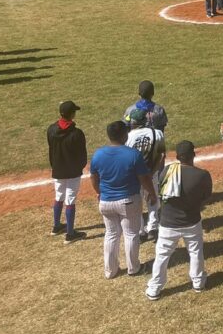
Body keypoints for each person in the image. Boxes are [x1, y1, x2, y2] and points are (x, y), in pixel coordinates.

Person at [90, 121, 157, 279]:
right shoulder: (133, 154)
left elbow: (93, 177)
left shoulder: (98, 154)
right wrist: (152, 193)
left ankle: (110, 271)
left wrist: (100, 192)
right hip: (128, 201)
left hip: (106, 202)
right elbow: (144, 179)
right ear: (124, 135)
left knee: (111, 234)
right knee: (131, 234)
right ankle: (134, 268)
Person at [146, 140, 213, 300]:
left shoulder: (168, 170)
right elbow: (206, 197)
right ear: (193, 155)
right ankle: (198, 282)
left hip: (168, 224)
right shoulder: (202, 175)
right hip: (192, 222)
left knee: (162, 255)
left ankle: (154, 288)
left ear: (177, 157)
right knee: (196, 252)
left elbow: (160, 189)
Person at [47, 100, 87, 242]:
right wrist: (79, 167)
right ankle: (70, 234)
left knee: (59, 196)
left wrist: (55, 166)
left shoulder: (51, 130)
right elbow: (82, 155)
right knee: (70, 200)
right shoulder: (77, 134)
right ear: (72, 114)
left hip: (58, 170)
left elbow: (51, 150)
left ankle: (57, 226)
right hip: (73, 172)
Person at [126, 108, 166, 240]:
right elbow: (161, 156)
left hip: (134, 176)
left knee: (136, 202)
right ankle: (153, 229)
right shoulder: (158, 133)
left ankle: (140, 231)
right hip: (151, 173)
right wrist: (152, 173)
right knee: (153, 198)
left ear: (133, 122)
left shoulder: (128, 137)